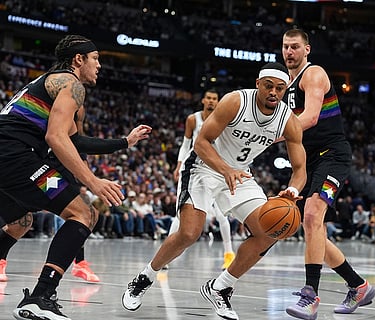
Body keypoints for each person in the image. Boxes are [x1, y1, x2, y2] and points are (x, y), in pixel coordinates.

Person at [122, 62, 307, 320]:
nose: (273, 92)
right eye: (268, 86)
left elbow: (300, 168)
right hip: (203, 167)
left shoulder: (288, 121)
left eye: (279, 88)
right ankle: (145, 277)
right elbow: (200, 143)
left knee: (268, 233)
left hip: (239, 173)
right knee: (189, 233)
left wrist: (292, 189)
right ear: (258, 84)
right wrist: (224, 169)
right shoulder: (236, 102)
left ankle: (220, 287)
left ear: (285, 89)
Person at [0, 34, 133, 320]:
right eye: (96, 59)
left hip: (8, 157)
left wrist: (124, 142)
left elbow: (76, 141)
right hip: (14, 157)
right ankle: (41, 297)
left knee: (21, 222)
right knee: (84, 214)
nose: (99, 66)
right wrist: (93, 181)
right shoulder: (71, 84)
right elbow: (56, 137)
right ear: (79, 59)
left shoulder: (49, 83)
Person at [0, 99, 151, 285]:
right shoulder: (41, 97)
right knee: (23, 222)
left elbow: (77, 140)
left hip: (53, 163)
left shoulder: (76, 105)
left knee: (78, 212)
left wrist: (89, 170)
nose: (98, 67)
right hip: (26, 162)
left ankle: (74, 266)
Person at [281, 28, 375, 319]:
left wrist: (271, 134)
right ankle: (358, 286)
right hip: (310, 161)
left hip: (332, 155)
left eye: (295, 46)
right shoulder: (285, 84)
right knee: (313, 228)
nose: (289, 52)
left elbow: (309, 117)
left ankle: (310, 295)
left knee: (311, 216)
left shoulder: (314, 74)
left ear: (307, 50)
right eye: (285, 46)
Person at [171, 89, 235, 270]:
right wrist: (178, 165)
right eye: (209, 98)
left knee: (223, 214)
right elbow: (185, 145)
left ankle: (229, 254)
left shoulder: (223, 118)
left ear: (218, 101)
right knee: (181, 211)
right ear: (203, 100)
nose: (211, 101)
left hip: (215, 170)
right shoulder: (193, 119)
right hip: (194, 169)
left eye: (215, 99)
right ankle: (166, 252)